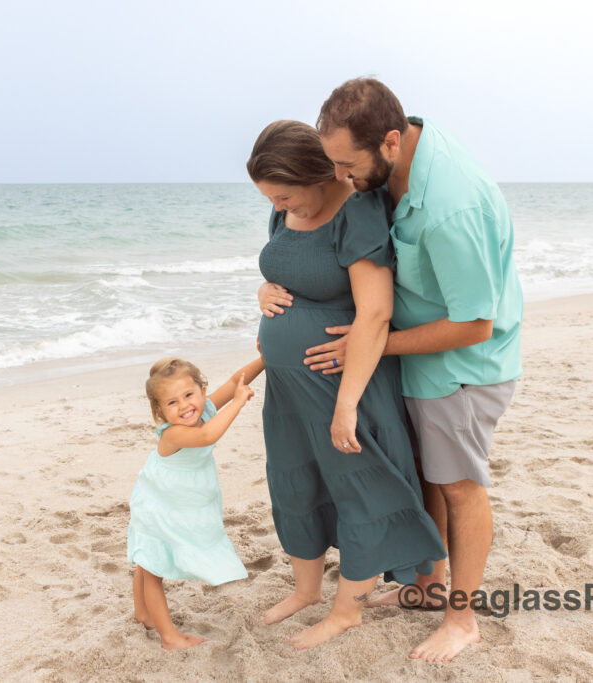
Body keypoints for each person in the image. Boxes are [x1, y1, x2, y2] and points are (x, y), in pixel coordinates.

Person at [261, 79, 523, 662]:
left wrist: (373, 345)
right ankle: (426, 586)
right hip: (412, 355)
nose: (340, 177)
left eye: (346, 166)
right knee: (426, 475)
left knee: (458, 486)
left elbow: (476, 324)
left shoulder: (452, 206)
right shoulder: (396, 158)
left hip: (462, 365)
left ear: (389, 142)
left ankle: (462, 620)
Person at [248, 120, 446, 650]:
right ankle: (307, 590)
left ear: (318, 173)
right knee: (295, 484)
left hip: (345, 386)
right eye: (271, 198)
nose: (280, 206)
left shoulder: (356, 212)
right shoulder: (286, 208)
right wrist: (264, 290)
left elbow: (376, 311)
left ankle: (348, 610)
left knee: (361, 490)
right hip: (289, 391)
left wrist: (347, 405)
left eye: (285, 194)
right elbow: (290, 268)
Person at [128, 356, 264, 650]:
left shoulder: (207, 407)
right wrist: (239, 403)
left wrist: (264, 359)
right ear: (160, 410)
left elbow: (235, 381)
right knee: (153, 568)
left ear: (202, 390)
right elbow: (207, 435)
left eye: (189, 395)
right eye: (172, 403)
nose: (184, 406)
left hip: (181, 501)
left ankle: (142, 613)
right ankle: (169, 637)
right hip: (161, 503)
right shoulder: (175, 432)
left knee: (148, 558)